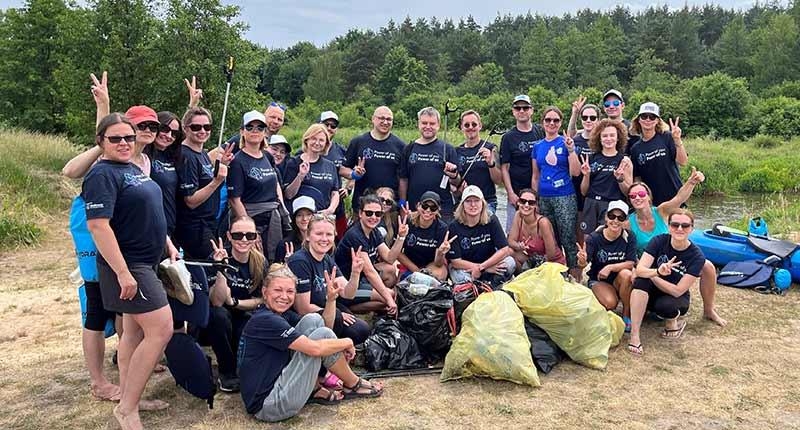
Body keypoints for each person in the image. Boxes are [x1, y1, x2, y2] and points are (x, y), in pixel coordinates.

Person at [83, 113, 176, 429]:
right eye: (115, 138)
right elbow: (98, 225)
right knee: (161, 328)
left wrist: (166, 243)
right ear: (101, 142)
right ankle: (126, 410)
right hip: (128, 265)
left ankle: (129, 397)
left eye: (128, 137)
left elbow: (144, 212)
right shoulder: (101, 175)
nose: (124, 143)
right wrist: (123, 272)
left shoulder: (131, 168)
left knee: (135, 333)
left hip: (146, 260)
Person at [238, 264, 384, 423]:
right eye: (278, 290)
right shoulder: (266, 320)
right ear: (265, 292)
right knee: (321, 337)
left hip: (277, 385)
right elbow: (317, 347)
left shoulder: (277, 314)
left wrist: (330, 300)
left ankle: (313, 389)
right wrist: (347, 342)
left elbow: (322, 327)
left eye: (290, 291)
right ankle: (353, 384)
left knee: (312, 320)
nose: (284, 296)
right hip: (269, 405)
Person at [627, 171, 726, 326]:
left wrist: (691, 182)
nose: (637, 198)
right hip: (649, 261)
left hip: (673, 254)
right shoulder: (629, 223)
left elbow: (679, 199)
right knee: (635, 276)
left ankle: (709, 309)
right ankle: (641, 310)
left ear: (648, 196)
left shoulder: (661, 210)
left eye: (640, 193)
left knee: (708, 266)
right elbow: (629, 247)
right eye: (633, 196)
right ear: (630, 201)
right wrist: (636, 266)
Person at [200, 216, 268, 393]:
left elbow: (262, 299)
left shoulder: (260, 262)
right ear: (229, 236)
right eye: (238, 235)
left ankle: (242, 366)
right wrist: (221, 268)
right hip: (219, 318)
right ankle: (226, 372)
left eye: (249, 235)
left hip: (243, 312)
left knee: (250, 323)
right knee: (218, 315)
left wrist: (235, 302)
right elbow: (216, 301)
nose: (244, 240)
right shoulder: (217, 257)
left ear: (256, 237)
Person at [628, 209, 705, 356]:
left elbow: (678, 290)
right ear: (669, 227)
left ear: (692, 229)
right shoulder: (659, 241)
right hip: (653, 288)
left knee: (666, 306)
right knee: (640, 282)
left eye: (685, 226)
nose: (680, 229)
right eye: (675, 225)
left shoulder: (697, 256)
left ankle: (673, 321)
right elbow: (640, 269)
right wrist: (657, 271)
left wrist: (652, 274)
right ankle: (635, 335)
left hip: (674, 296)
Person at [287, 214, 371, 343]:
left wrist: (355, 274)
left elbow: (348, 294)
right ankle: (327, 354)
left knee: (361, 330)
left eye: (329, 234)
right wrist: (333, 312)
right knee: (337, 316)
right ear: (308, 236)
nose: (324, 239)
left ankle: (337, 345)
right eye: (319, 234)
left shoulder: (326, 258)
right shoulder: (300, 261)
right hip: (303, 318)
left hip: (326, 305)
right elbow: (302, 308)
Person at [226, 111, 287, 260]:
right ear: (242, 131)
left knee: (272, 261)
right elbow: (235, 200)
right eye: (250, 127)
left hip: (272, 219)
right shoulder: (237, 161)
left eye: (260, 127)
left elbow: (276, 183)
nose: (255, 131)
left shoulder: (267, 156)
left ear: (265, 132)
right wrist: (249, 231)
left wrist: (282, 205)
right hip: (250, 220)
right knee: (255, 262)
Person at [175, 107, 233, 259]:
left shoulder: (201, 154)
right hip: (194, 227)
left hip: (208, 223)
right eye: (196, 127)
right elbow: (191, 200)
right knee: (217, 265)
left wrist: (223, 166)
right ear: (185, 129)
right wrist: (217, 181)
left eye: (207, 127)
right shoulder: (186, 156)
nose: (202, 131)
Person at [531, 106, 581, 280]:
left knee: (569, 238)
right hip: (544, 198)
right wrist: (534, 200)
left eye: (556, 120)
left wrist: (571, 150)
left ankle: (575, 277)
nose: (551, 123)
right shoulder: (537, 146)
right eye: (548, 120)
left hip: (564, 196)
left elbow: (576, 172)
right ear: (543, 122)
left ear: (560, 123)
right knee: (551, 241)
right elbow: (535, 176)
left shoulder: (566, 142)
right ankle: (557, 277)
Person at [576, 200, 637, 332]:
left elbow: (631, 262)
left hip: (619, 279)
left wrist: (610, 267)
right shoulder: (594, 238)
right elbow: (584, 264)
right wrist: (582, 260)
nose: (615, 220)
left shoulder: (629, 236)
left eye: (620, 217)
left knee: (627, 274)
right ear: (605, 217)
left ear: (625, 220)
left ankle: (627, 313)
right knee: (610, 303)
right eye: (611, 216)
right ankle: (599, 298)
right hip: (599, 279)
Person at [334, 195, 402, 310]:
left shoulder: (374, 231)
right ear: (360, 213)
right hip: (347, 284)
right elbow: (370, 272)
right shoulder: (355, 235)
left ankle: (373, 298)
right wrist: (389, 299)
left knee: (390, 270)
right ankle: (346, 307)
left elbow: (389, 257)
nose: (374, 217)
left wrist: (401, 237)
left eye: (378, 214)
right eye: (369, 213)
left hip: (361, 278)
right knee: (389, 296)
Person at [399, 106, 461, 222]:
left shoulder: (448, 149)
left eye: (432, 123)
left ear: (438, 125)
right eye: (424, 123)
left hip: (442, 210)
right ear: (419, 124)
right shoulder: (409, 148)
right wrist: (402, 204)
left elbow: (457, 182)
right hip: (415, 209)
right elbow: (403, 179)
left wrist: (453, 174)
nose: (428, 127)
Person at [448, 185, 515, 289]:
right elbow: (455, 261)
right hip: (468, 268)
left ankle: (494, 286)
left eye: (476, 200)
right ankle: (474, 291)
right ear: (462, 205)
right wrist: (478, 268)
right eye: (468, 201)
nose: (473, 205)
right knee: (457, 276)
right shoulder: (454, 226)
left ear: (482, 203)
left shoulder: (492, 220)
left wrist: (482, 267)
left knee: (510, 263)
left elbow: (504, 249)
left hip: (489, 264)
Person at [343, 106, 404, 212]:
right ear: (373, 119)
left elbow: (404, 178)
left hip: (389, 207)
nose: (385, 122)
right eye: (381, 118)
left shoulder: (400, 146)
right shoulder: (358, 142)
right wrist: (354, 174)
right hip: (363, 206)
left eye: (389, 119)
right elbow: (342, 169)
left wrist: (402, 202)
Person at [578, 118, 632, 233]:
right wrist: (586, 175)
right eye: (605, 136)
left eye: (612, 135)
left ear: (618, 138)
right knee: (588, 240)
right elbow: (583, 192)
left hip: (611, 206)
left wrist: (620, 179)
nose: (608, 139)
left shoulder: (624, 161)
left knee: (606, 238)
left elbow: (628, 192)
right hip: (591, 203)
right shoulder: (591, 158)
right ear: (599, 138)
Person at [628, 102, 688, 206]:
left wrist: (677, 140)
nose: (648, 119)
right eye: (644, 116)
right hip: (653, 204)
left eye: (652, 117)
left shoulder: (667, 137)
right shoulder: (635, 149)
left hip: (675, 198)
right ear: (638, 120)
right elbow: (637, 178)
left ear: (657, 121)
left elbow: (683, 162)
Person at [500, 94, 545, 231]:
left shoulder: (540, 131)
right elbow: (504, 168)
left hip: (539, 193)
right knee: (514, 232)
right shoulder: (508, 138)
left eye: (525, 108)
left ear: (531, 110)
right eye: (518, 108)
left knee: (538, 232)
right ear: (513, 111)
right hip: (517, 193)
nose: (521, 111)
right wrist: (510, 193)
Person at [284, 124, 340, 220]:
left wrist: (330, 209)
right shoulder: (293, 163)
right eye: (313, 138)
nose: (317, 143)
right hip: (302, 219)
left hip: (323, 217)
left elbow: (335, 192)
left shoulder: (330, 165)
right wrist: (300, 176)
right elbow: (288, 195)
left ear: (326, 143)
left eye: (321, 140)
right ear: (307, 140)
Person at [398, 191, 453, 282]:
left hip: (431, 266)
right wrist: (417, 271)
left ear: (438, 210)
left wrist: (440, 253)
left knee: (439, 274)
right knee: (400, 287)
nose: (428, 210)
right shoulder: (408, 221)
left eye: (433, 208)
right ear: (418, 206)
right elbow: (398, 253)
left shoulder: (442, 228)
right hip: (410, 264)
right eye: (425, 206)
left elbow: (438, 264)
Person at [455, 109, 502, 215]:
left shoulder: (491, 148)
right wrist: (457, 189)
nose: (470, 127)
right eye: (467, 125)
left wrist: (491, 163)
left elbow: (498, 180)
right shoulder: (456, 151)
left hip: (487, 201)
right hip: (464, 202)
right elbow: (454, 184)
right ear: (462, 127)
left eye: (474, 124)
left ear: (480, 126)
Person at [567, 99, 600, 244]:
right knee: (580, 229)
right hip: (577, 189)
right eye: (585, 117)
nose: (588, 120)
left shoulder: (602, 140)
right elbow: (569, 134)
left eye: (592, 118)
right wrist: (574, 113)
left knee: (595, 232)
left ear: (598, 120)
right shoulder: (577, 139)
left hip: (596, 190)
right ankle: (581, 261)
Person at [507, 188, 565, 271]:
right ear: (518, 202)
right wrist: (519, 246)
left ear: (535, 205)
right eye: (523, 201)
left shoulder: (543, 223)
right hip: (532, 260)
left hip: (551, 263)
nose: (526, 205)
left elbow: (551, 254)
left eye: (531, 203)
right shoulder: (518, 215)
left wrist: (536, 267)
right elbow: (511, 241)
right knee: (509, 252)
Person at [318, 111, 355, 238]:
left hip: (337, 207)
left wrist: (347, 188)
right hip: (314, 207)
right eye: (326, 124)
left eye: (333, 126)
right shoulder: (307, 149)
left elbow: (355, 172)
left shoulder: (341, 150)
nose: (329, 128)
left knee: (339, 240)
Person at [145, 111, 182, 236]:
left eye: (175, 133)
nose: (169, 135)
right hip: (149, 228)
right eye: (164, 129)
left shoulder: (172, 156)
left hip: (170, 226)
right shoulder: (142, 156)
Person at [275, 196, 315, 263]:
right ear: (294, 219)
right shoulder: (285, 244)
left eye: (308, 214)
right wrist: (287, 263)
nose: (304, 219)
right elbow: (276, 270)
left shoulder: (322, 240)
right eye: (299, 215)